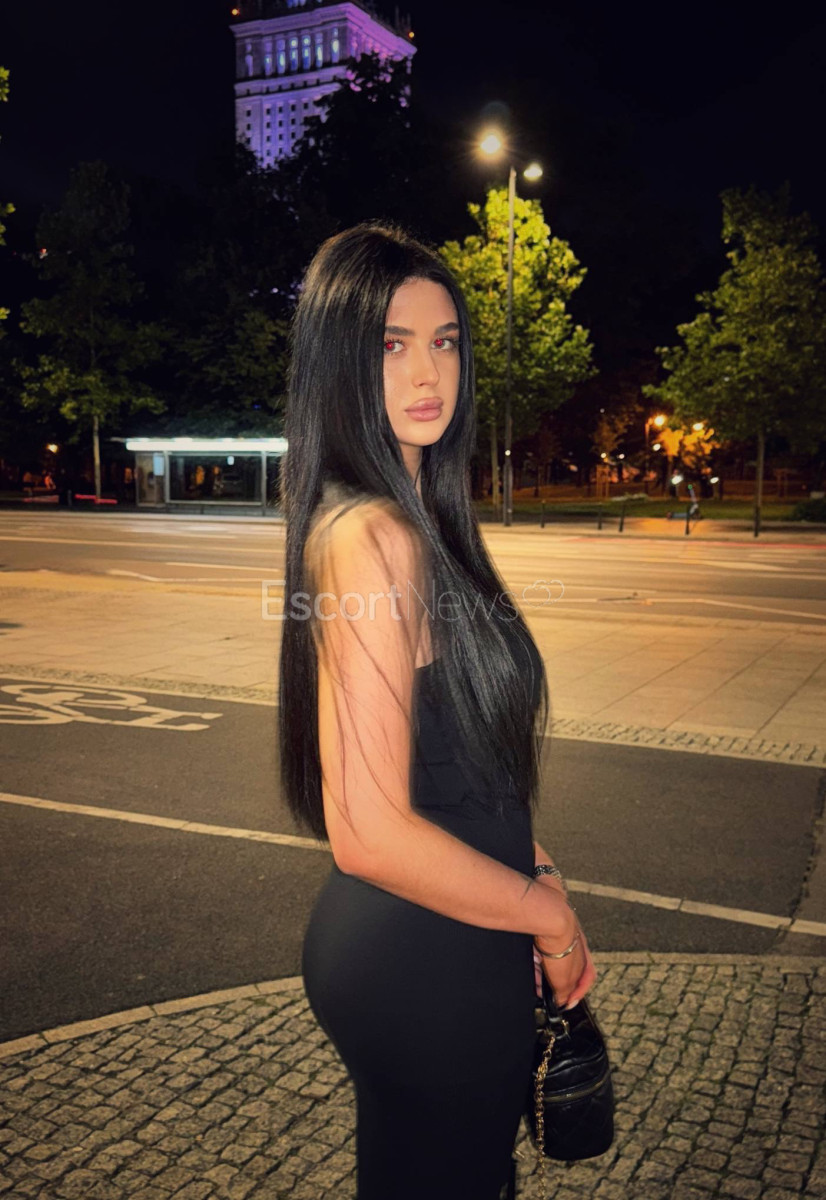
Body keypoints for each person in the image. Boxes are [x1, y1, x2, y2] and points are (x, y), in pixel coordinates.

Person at [278, 221, 597, 1200]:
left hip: (442, 930)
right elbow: (368, 829)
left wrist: (533, 865)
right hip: (425, 955)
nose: (429, 373)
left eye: (445, 341)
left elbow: (454, 758)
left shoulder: (412, 522)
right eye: (393, 344)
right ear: (342, 360)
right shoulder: (371, 536)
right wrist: (546, 918)